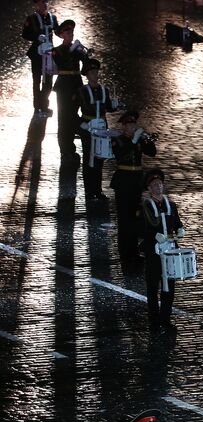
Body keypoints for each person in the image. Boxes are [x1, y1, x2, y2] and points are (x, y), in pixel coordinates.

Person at [138, 169, 184, 331]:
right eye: (154, 185)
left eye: (160, 184)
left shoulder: (170, 204)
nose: (158, 187)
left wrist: (180, 229)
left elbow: (177, 223)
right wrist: (153, 236)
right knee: (152, 286)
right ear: (149, 189)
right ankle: (154, 321)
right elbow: (140, 229)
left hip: (170, 250)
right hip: (154, 251)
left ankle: (165, 319)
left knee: (169, 286)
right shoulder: (145, 206)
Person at [110, 110, 157, 263]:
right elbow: (121, 154)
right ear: (123, 126)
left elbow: (152, 152)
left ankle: (134, 252)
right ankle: (125, 253)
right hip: (123, 181)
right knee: (124, 219)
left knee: (135, 216)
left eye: (133, 124)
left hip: (136, 181)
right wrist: (135, 140)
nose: (131, 127)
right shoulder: (118, 140)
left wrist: (147, 140)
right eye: (128, 125)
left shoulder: (138, 139)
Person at [75, 58, 118, 199]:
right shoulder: (82, 91)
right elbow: (79, 109)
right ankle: (89, 190)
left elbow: (109, 108)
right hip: (88, 127)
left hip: (102, 126)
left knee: (100, 157)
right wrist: (80, 124)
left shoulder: (104, 90)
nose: (95, 74)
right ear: (87, 75)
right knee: (89, 158)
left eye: (96, 71)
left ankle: (97, 189)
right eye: (92, 72)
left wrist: (114, 104)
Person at [51, 19, 89, 162]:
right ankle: (65, 150)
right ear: (62, 35)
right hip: (64, 87)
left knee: (73, 115)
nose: (71, 34)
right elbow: (62, 62)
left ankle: (71, 147)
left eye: (72, 32)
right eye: (68, 32)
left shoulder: (77, 50)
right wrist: (73, 51)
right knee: (64, 118)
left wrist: (84, 56)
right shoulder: (57, 50)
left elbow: (85, 69)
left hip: (76, 85)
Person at [22, 0, 59, 116]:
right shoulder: (31, 18)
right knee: (37, 80)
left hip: (49, 54)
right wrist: (36, 36)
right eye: (41, 2)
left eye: (45, 2)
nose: (44, 4)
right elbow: (25, 35)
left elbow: (58, 31)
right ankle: (37, 106)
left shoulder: (52, 18)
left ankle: (44, 104)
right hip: (37, 54)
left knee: (48, 82)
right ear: (37, 4)